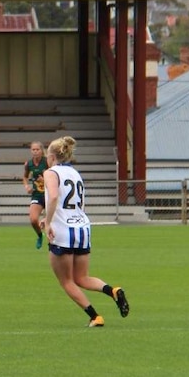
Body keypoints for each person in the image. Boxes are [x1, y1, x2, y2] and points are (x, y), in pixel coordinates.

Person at [41, 136, 130, 328]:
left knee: (66, 281)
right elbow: (75, 204)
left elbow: (54, 197)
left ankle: (95, 317)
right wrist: (49, 218)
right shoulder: (75, 174)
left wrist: (48, 223)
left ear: (52, 157)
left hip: (63, 232)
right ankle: (113, 291)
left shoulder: (50, 172)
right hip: (82, 228)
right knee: (82, 277)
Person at [23, 140, 48, 249]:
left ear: (41, 151)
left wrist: (45, 180)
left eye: (37, 149)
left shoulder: (47, 162)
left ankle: (55, 242)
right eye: (33, 149)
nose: (35, 152)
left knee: (52, 221)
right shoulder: (29, 164)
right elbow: (25, 177)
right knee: (33, 219)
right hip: (37, 195)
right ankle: (39, 235)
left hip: (49, 195)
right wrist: (27, 186)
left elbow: (56, 177)